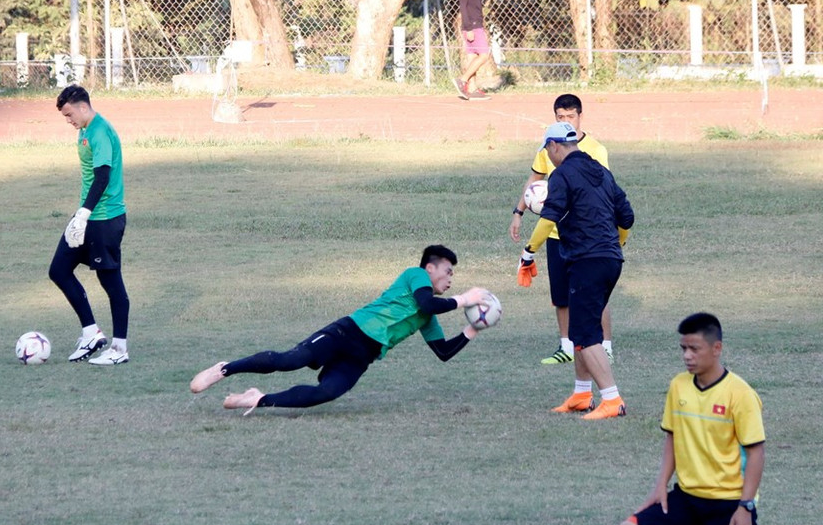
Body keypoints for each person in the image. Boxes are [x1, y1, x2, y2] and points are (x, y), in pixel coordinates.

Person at [190, 245, 492, 413]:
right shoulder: (415, 275)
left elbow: (443, 352)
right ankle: (224, 369)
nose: (451, 279)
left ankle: (258, 399)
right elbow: (427, 303)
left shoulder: (429, 316)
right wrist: (465, 299)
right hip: (347, 332)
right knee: (289, 360)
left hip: (362, 356)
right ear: (430, 269)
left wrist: (474, 327)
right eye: (448, 272)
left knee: (327, 392)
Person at [516, 121, 634, 419]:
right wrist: (616, 244)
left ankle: (612, 400)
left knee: (582, 332)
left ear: (555, 146)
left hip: (587, 260)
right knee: (584, 328)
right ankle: (582, 394)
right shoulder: (602, 172)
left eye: (548, 150)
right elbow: (627, 217)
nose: (549, 155)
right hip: (609, 259)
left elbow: (549, 218)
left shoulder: (562, 175)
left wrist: (529, 252)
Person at [617, 312, 765, 525]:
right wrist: (661, 486)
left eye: (694, 349)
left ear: (717, 348)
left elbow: (756, 453)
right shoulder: (678, 386)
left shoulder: (741, 394)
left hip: (731, 499)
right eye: (683, 348)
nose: (687, 356)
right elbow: (672, 437)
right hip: (687, 496)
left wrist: (746, 505)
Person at [509, 93, 616, 365]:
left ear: (580, 116)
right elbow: (535, 182)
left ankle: (605, 347)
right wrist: (519, 211)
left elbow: (604, 190)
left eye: (570, 116)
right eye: (561, 117)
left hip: (586, 234)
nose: (566, 120)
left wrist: (529, 251)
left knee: (595, 295)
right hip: (557, 235)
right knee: (561, 295)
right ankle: (567, 347)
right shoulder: (549, 146)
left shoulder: (595, 150)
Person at [49, 85, 131, 366]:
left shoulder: (99, 132)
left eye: (69, 114)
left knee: (110, 281)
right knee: (59, 270)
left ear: (83, 107)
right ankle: (91, 333)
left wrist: (83, 214)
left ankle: (120, 349)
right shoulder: (84, 130)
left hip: (104, 218)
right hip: (87, 216)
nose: (68, 121)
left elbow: (102, 178)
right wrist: (81, 215)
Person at [454, 0, 490, 100]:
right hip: (472, 26)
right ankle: (463, 80)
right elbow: (463, 7)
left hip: (476, 24)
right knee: (484, 55)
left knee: (473, 56)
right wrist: (468, 28)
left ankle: (473, 88)